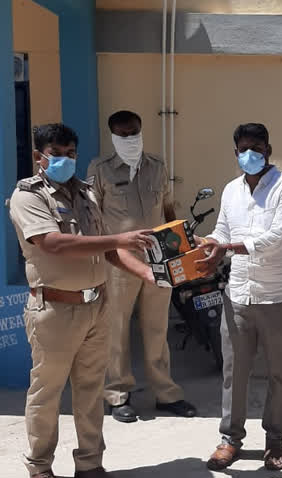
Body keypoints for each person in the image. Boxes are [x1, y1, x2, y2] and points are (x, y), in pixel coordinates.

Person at [8, 123, 157, 478]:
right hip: (55, 309)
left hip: (96, 305)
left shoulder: (88, 193)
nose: (65, 159)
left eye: (71, 153)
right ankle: (40, 466)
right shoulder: (28, 196)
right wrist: (121, 237)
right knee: (47, 391)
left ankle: (90, 462)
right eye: (56, 153)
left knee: (91, 390)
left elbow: (106, 250)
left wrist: (146, 272)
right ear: (39, 157)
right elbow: (53, 242)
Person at [196, 122, 282, 472]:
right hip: (239, 293)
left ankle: (275, 441)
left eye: (257, 147)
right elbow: (223, 231)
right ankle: (230, 439)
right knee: (234, 372)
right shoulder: (231, 191)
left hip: (279, 295)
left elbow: (275, 237)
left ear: (268, 150)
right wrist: (209, 244)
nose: (250, 154)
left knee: (278, 373)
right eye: (243, 148)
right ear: (236, 152)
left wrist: (224, 247)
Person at [87, 110, 197, 423]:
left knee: (157, 326)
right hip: (119, 260)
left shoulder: (157, 167)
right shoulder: (100, 169)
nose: (130, 138)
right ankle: (117, 394)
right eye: (123, 134)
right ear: (112, 136)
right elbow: (93, 216)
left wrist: (181, 250)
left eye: (134, 132)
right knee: (116, 327)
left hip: (159, 258)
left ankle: (166, 393)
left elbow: (167, 208)